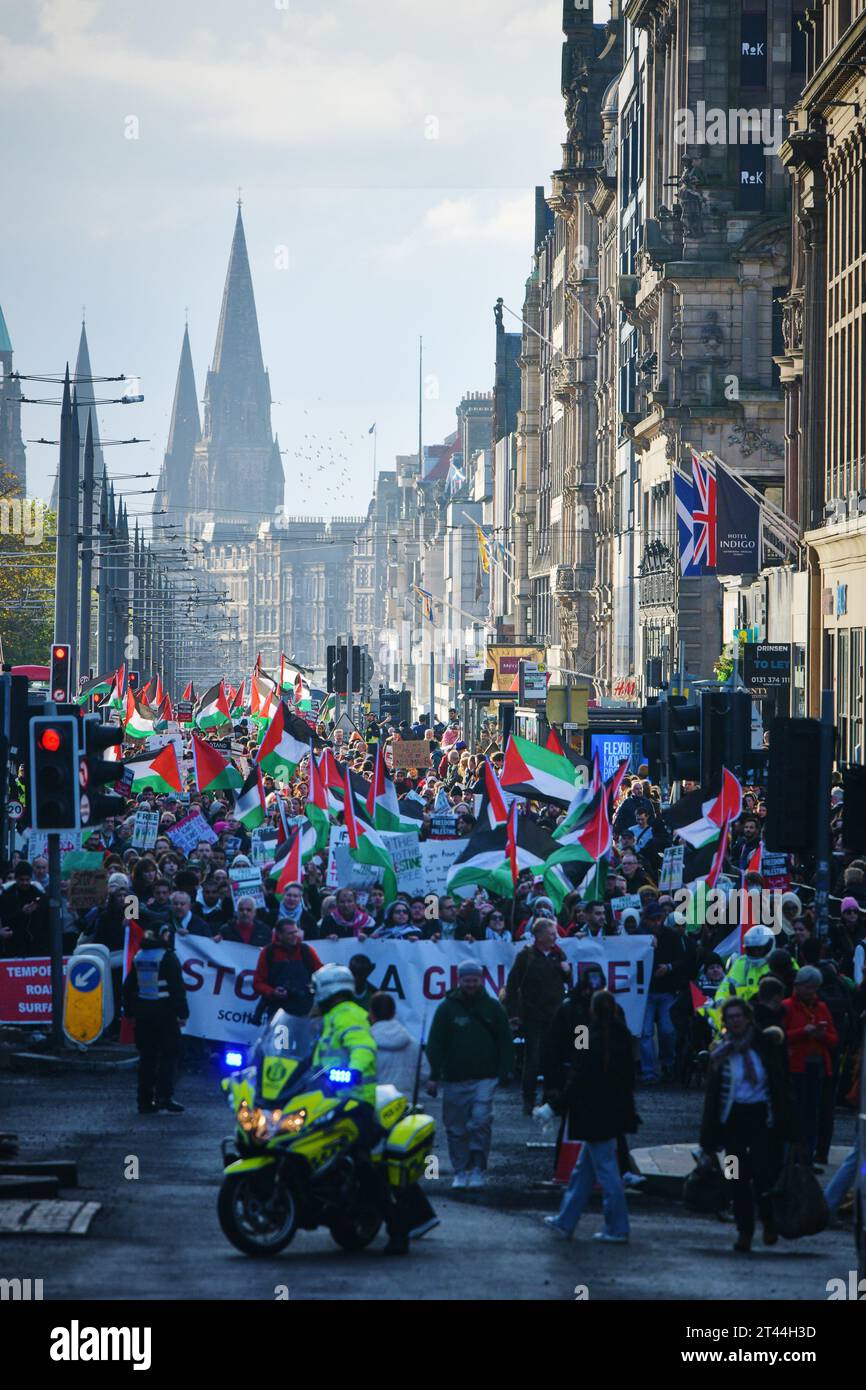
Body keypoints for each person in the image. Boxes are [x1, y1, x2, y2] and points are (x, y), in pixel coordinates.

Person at [311, 963, 408, 1256]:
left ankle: (396, 1228)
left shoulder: (350, 1014)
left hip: (355, 1102)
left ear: (327, 990)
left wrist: (351, 1072)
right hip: (331, 1101)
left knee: (360, 1160)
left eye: (317, 989)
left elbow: (363, 1049)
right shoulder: (329, 1018)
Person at [699, 997, 793, 1252]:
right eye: (730, 1017)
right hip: (732, 1123)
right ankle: (745, 1231)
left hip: (762, 1120)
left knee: (764, 1176)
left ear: (748, 1018)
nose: (735, 1021)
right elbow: (713, 1098)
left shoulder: (765, 1045)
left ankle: (768, 1220)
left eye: (738, 1016)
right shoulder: (721, 1052)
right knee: (736, 1178)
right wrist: (708, 1137)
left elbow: (779, 1084)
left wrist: (787, 1122)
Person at [543, 991, 637, 1244]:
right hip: (613, 1112)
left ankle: (617, 1227)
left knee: (605, 1172)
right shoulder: (623, 1037)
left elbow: (579, 1077)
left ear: (593, 1011)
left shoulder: (590, 1038)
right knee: (584, 1171)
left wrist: (555, 1106)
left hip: (594, 1114)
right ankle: (566, 1220)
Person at [426, 959, 514, 1190]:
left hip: (485, 1077)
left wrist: (504, 1071)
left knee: (480, 1122)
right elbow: (435, 1043)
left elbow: (505, 1041)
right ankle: (460, 1170)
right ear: (459, 980)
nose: (471, 984)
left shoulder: (494, 1007)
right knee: (456, 1129)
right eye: (467, 980)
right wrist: (434, 1075)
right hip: (454, 1079)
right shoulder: (446, 1008)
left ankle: (477, 1168)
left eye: (475, 980)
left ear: (481, 980)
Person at [504, 918, 571, 1114]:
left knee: (553, 1059)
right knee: (532, 1059)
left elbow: (568, 981)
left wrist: (568, 972)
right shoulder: (526, 956)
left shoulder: (558, 955)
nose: (555, 936)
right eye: (551, 933)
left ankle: (549, 1099)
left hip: (555, 1015)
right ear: (539, 935)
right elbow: (512, 985)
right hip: (533, 1015)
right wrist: (514, 1013)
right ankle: (528, 1099)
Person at [122, 923, 189, 1114]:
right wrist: (183, 1014)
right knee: (170, 1054)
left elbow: (128, 987)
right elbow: (177, 989)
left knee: (147, 1058)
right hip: (165, 1014)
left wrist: (129, 1011)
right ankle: (164, 1096)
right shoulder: (168, 958)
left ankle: (144, 1100)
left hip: (144, 1014)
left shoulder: (140, 956)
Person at [782, 965, 839, 1167]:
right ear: (798, 986)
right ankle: (792, 1157)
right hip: (795, 1068)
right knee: (797, 1113)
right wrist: (802, 1032)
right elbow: (781, 1037)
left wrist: (821, 1035)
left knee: (812, 1114)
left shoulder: (822, 1008)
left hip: (817, 1068)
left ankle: (806, 1158)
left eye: (815, 988)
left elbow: (834, 1039)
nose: (812, 992)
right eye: (809, 988)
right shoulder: (787, 1007)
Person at [252, 918, 322, 1021]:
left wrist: (312, 985)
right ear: (279, 935)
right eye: (290, 933)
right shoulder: (268, 953)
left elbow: (321, 974)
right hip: (278, 1011)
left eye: (295, 932)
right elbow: (257, 983)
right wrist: (272, 992)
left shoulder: (306, 950)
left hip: (305, 1009)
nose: (295, 936)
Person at [369, 992, 428, 1094]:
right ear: (394, 1013)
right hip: (405, 1102)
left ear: (371, 1014)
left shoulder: (365, 1045)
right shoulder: (412, 1044)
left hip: (374, 1102)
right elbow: (425, 1073)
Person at [714, 924, 775, 1006]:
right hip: (747, 1010)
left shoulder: (781, 960)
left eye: (760, 949)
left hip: (775, 1010)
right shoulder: (741, 962)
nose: (756, 953)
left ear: (770, 945)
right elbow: (726, 986)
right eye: (752, 950)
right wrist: (721, 1001)